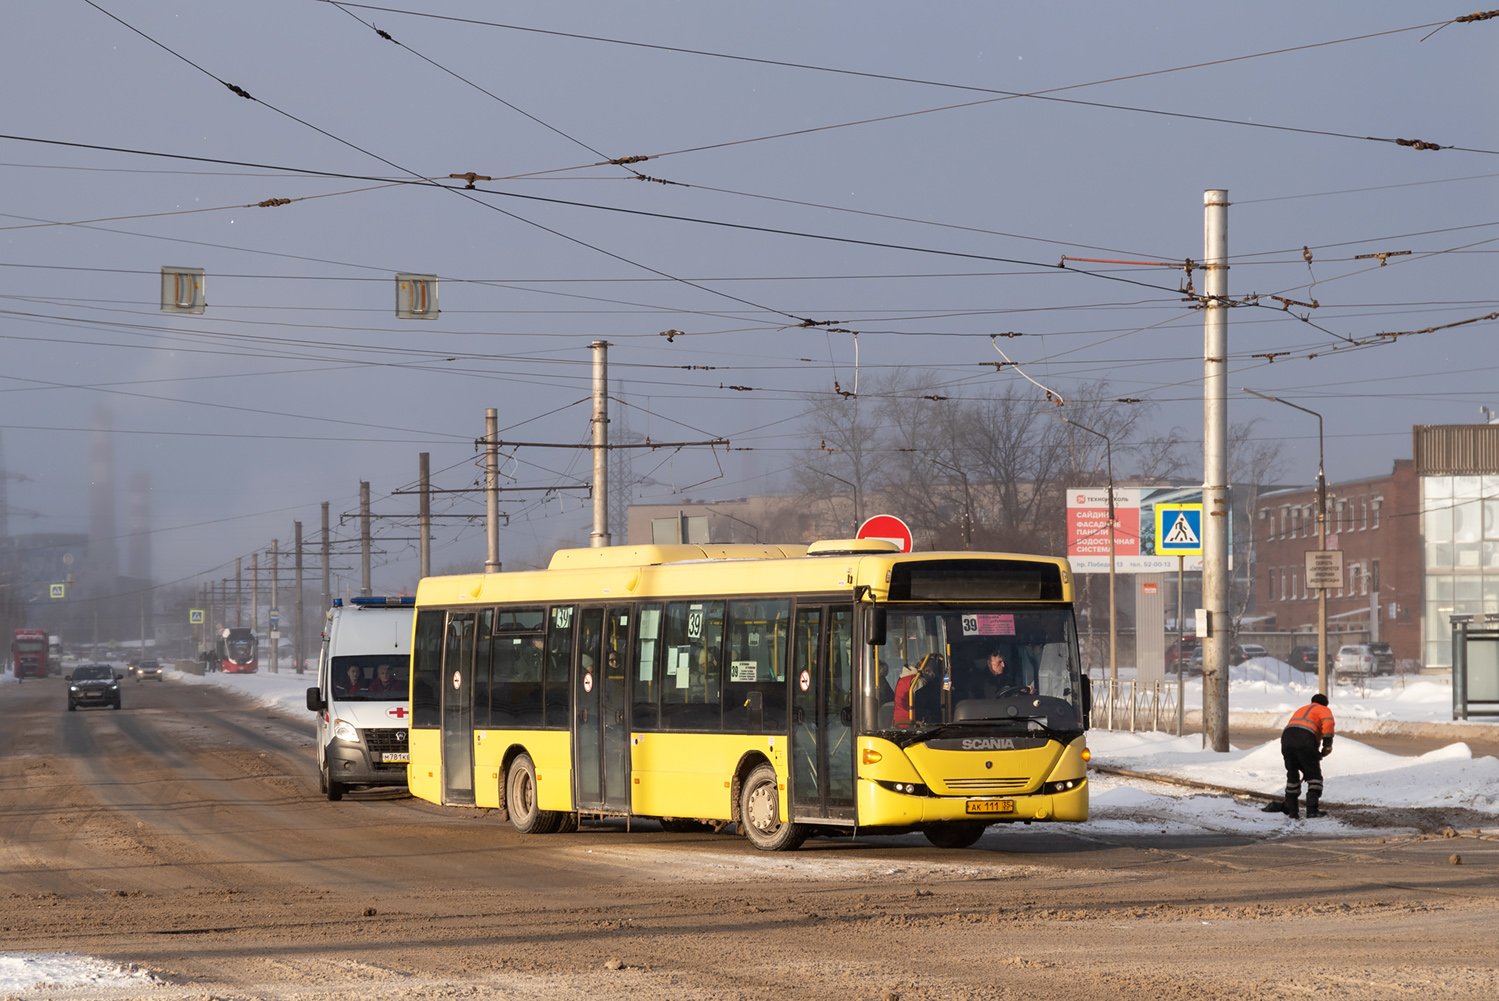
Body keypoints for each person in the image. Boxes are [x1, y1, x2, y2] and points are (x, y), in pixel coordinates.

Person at [1261, 693, 1335, 818]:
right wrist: (1326, 747)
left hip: (1287, 738)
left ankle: (1291, 809)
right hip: (1305, 739)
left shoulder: (1302, 709)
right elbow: (1328, 725)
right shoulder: (1324, 709)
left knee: (1292, 773)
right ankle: (1312, 811)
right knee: (1314, 776)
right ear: (1325, 704)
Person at [893, 654, 942, 725]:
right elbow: (923, 703)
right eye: (931, 671)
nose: (932, 675)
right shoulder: (919, 681)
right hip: (914, 722)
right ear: (926, 670)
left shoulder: (903, 678)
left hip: (898, 721)